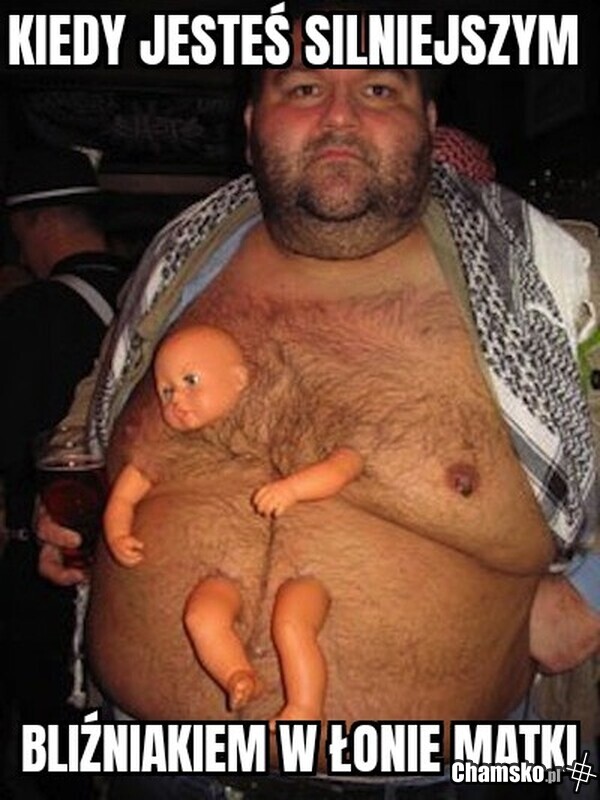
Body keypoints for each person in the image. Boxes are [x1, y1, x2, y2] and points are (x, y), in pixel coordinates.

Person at [37, 3, 600, 798]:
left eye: (378, 89)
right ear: (251, 123)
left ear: (427, 123)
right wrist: (76, 510)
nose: (339, 117)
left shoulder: (558, 279)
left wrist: (591, 595)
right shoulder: (174, 265)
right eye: (303, 87)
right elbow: (98, 408)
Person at [105, 323, 363, 726]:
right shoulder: (170, 445)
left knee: (293, 624)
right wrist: (117, 531)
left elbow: (347, 463)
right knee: (202, 617)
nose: (176, 399)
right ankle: (237, 676)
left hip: (302, 570)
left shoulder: (284, 417)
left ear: (239, 379)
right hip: (227, 577)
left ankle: (305, 708)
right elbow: (125, 494)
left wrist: (295, 488)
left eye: (190, 381)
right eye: (166, 391)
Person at [0, 145, 131, 800]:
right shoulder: (156, 295)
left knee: (57, 750)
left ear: (33, 223)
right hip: (135, 565)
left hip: (46, 571)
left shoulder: (28, 315)